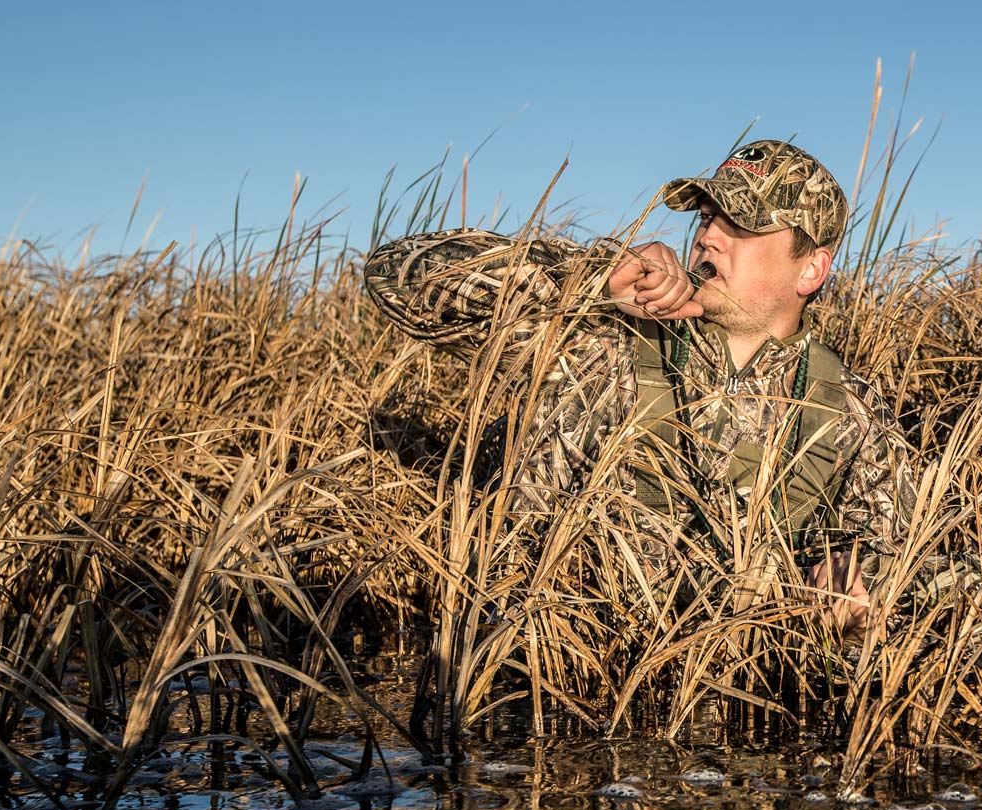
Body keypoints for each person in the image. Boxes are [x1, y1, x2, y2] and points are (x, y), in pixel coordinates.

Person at [362, 140, 916, 633]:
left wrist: (861, 574)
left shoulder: (849, 407)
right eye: (706, 217)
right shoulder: (601, 338)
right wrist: (587, 279)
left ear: (811, 270)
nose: (709, 238)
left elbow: (904, 551)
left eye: (742, 225)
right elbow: (397, 278)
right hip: (540, 699)